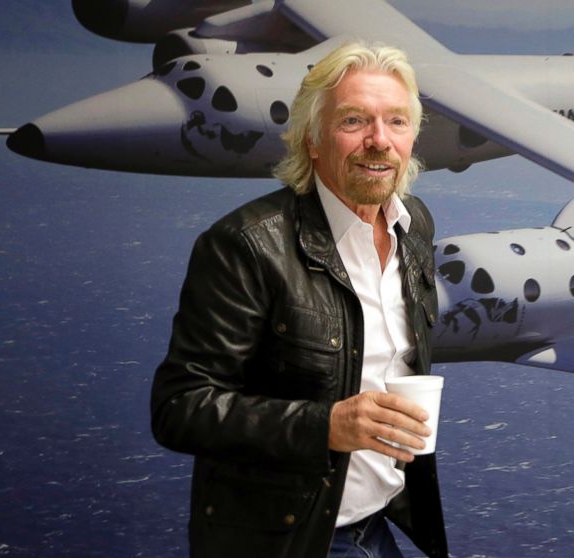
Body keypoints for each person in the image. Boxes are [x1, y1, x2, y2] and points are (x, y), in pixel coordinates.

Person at [151, 41, 448, 558]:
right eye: (354, 121)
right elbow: (180, 407)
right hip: (292, 540)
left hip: (378, 528)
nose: (380, 141)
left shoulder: (413, 224)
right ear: (311, 139)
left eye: (396, 122)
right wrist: (325, 427)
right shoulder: (246, 245)